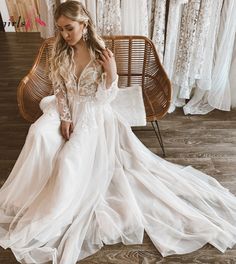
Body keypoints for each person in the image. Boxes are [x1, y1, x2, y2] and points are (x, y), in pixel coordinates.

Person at [1, 1, 236, 264]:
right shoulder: (59, 49)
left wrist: (111, 74)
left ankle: (54, 211)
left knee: (69, 161)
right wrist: (65, 117)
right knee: (38, 133)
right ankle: (27, 194)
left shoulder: (101, 52)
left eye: (69, 29)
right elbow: (59, 87)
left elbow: (107, 98)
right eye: (60, 29)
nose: (65, 35)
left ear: (84, 24)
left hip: (93, 112)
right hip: (64, 106)